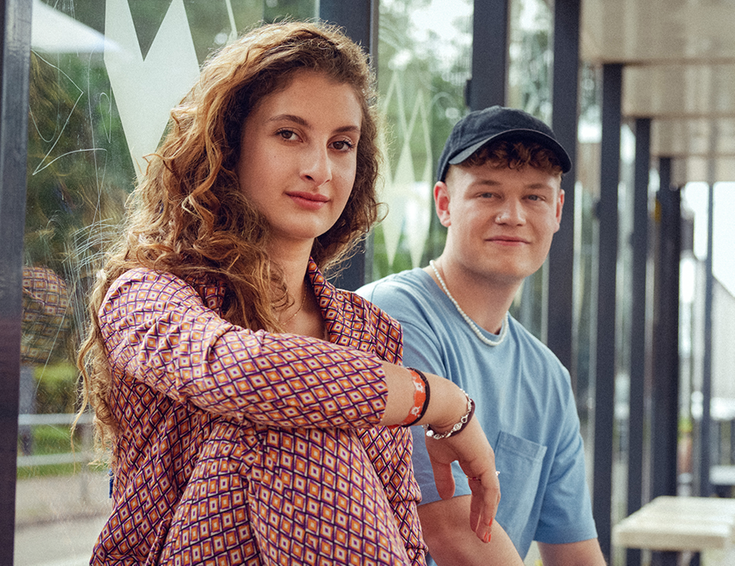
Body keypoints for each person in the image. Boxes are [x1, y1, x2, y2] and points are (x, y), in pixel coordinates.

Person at [78, 22, 500, 565]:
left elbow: (396, 521)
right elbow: (240, 374)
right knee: (289, 417)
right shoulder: (145, 296)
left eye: (340, 145)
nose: (319, 169)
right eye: (289, 134)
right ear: (229, 146)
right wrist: (439, 401)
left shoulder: (369, 331)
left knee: (306, 408)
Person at [358, 106, 604, 565]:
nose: (512, 215)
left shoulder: (548, 378)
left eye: (534, 197)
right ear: (445, 204)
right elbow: (446, 530)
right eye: (488, 193)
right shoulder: (390, 316)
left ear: (557, 210)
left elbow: (575, 554)